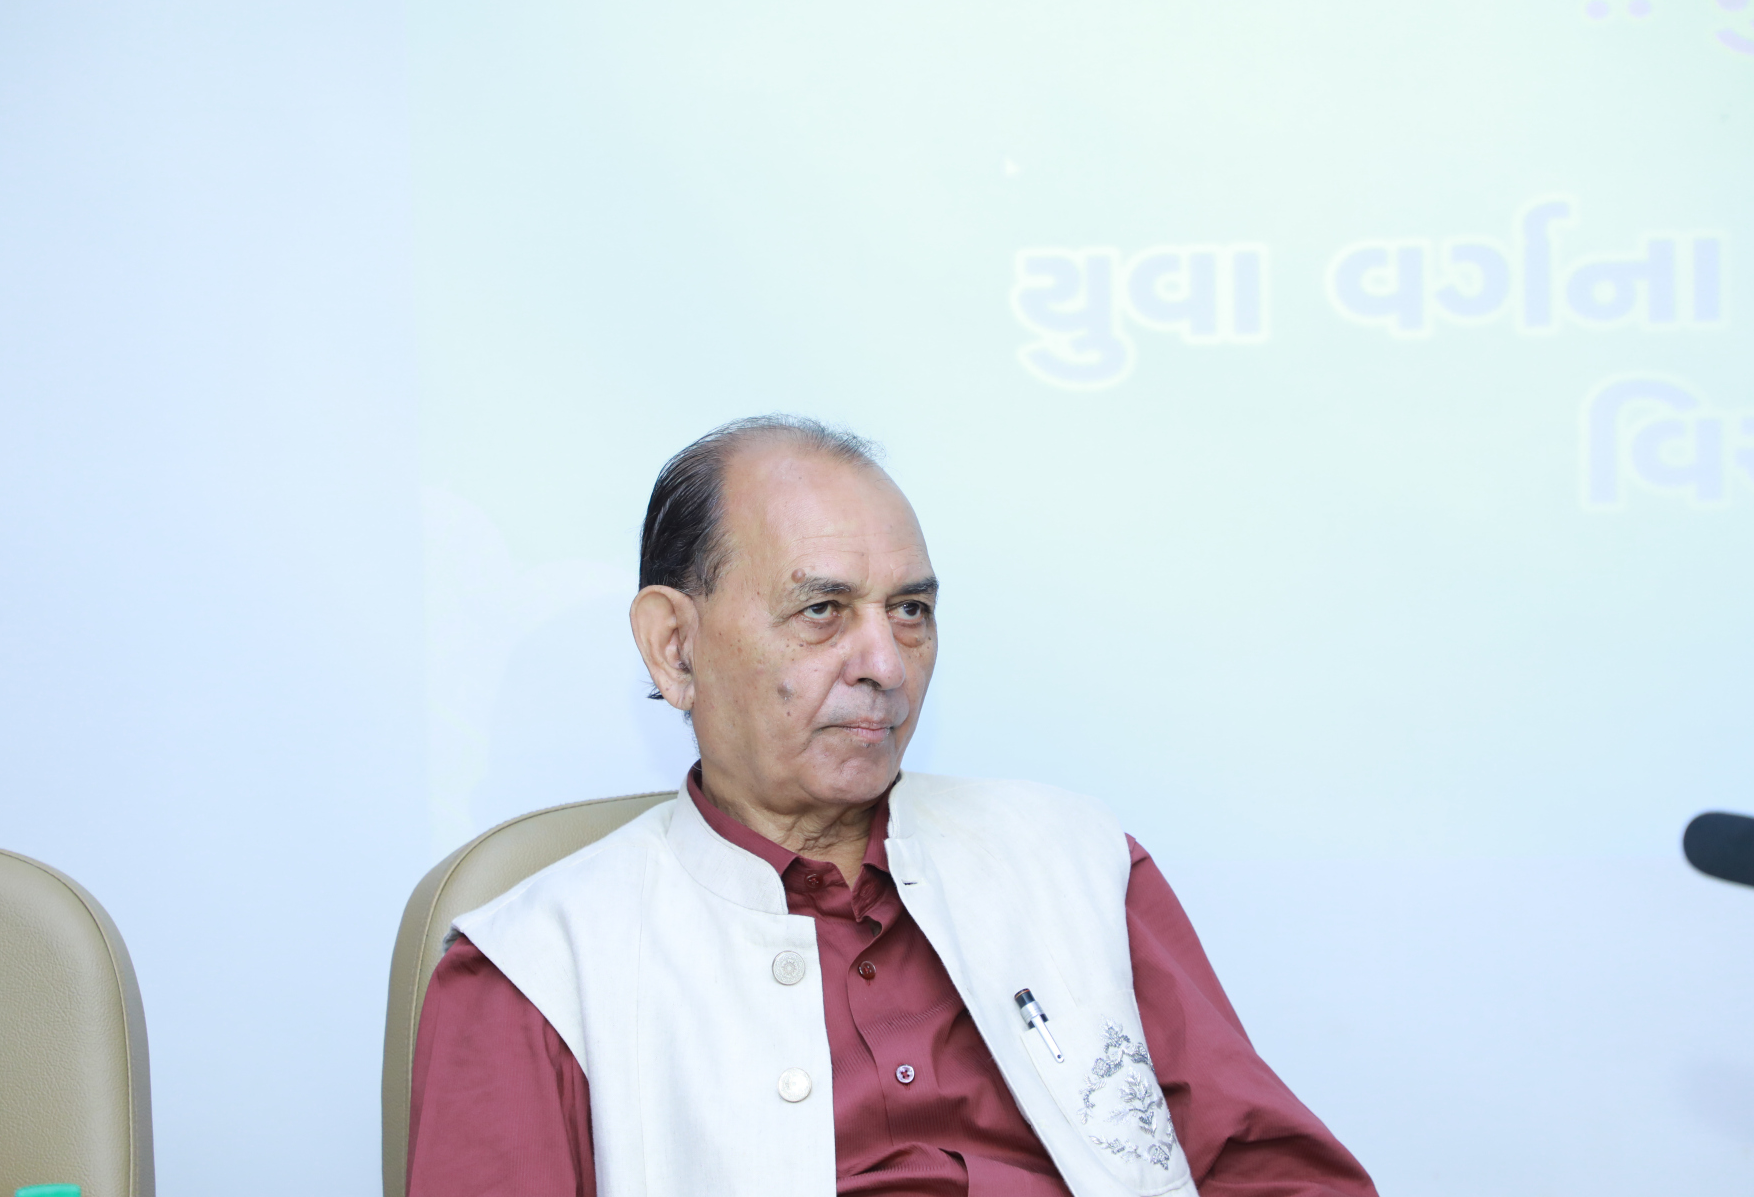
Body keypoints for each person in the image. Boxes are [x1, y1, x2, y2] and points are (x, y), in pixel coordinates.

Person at [407, 416, 1377, 1197]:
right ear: (674, 646)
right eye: (822, 610)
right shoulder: (535, 969)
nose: (884, 664)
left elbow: (1276, 1173)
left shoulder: (1075, 862)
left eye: (910, 610)